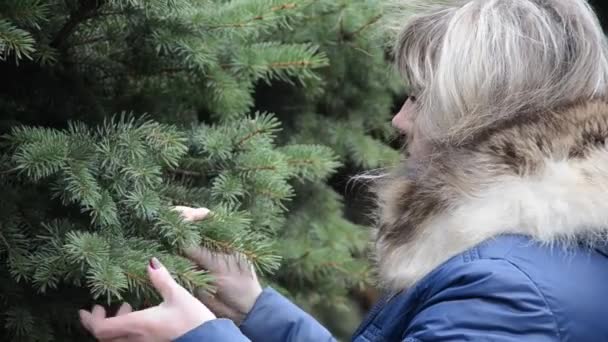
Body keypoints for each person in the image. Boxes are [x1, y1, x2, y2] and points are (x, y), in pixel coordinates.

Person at [79, 0, 608, 340]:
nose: (399, 119)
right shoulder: (533, 255)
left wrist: (198, 338)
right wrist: (255, 310)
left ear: (477, 112)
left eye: (421, 98)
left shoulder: (508, 293)